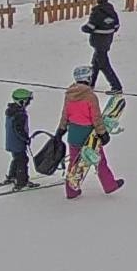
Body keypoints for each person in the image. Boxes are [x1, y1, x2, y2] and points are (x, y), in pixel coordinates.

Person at [57, 66, 122, 199]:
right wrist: (102, 133)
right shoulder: (90, 96)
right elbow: (96, 118)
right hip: (89, 135)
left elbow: (65, 115)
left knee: (74, 163)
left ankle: (71, 191)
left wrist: (61, 130)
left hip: (74, 134)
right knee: (99, 161)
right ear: (88, 78)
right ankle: (109, 185)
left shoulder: (69, 95)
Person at [82, 0, 124, 93]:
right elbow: (116, 26)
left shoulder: (97, 12)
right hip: (107, 41)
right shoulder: (112, 12)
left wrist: (83, 28)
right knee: (95, 63)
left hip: (98, 41)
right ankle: (91, 84)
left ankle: (116, 87)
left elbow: (90, 27)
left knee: (104, 65)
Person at [2, 89, 35, 191]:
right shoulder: (20, 115)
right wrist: (26, 139)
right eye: (27, 101)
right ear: (22, 102)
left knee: (16, 158)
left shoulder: (11, 111)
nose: (29, 103)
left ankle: (12, 175)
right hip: (17, 143)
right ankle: (22, 181)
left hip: (11, 142)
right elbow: (19, 130)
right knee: (22, 160)